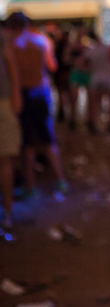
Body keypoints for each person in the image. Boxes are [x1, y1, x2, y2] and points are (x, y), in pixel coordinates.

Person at [7, 12, 67, 197]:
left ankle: (30, 185)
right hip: (41, 92)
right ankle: (60, 180)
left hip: (21, 95)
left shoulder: (10, 46)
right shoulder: (42, 41)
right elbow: (52, 66)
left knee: (27, 143)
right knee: (47, 139)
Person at [0, 23, 22, 227]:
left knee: (5, 158)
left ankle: (8, 210)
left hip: (3, 102)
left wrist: (15, 95)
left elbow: (11, 63)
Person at [85, 31, 110, 133]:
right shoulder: (107, 49)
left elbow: (84, 64)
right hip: (108, 78)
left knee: (95, 103)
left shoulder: (90, 51)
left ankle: (94, 124)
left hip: (96, 78)